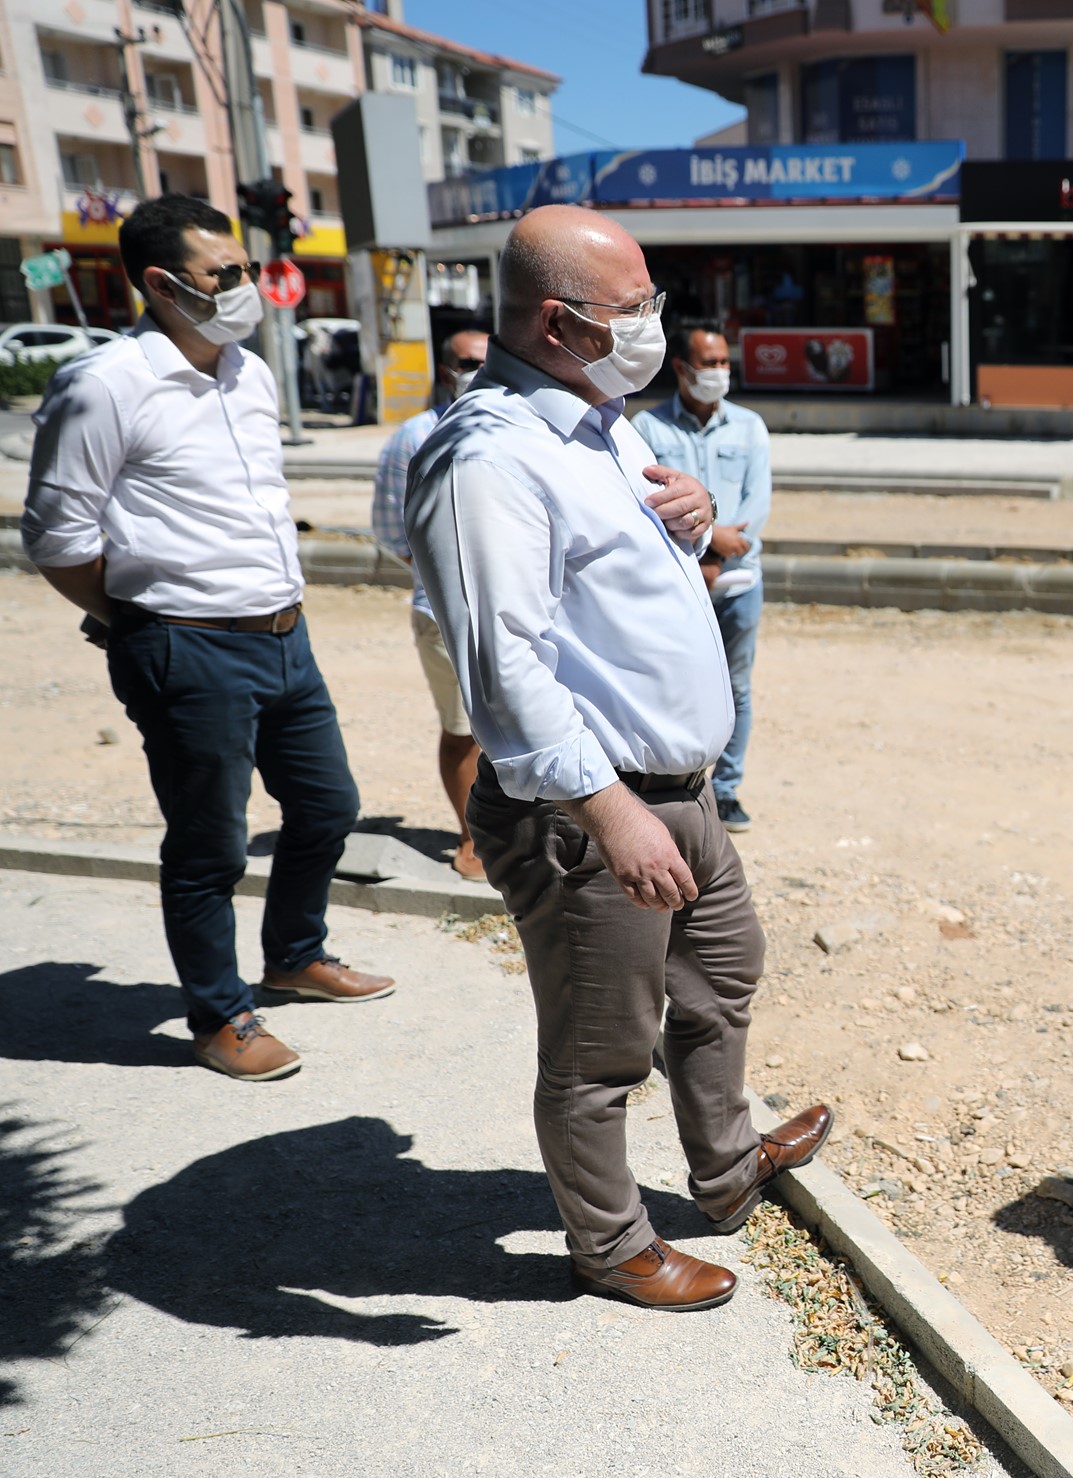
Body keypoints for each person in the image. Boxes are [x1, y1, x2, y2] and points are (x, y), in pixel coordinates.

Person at [406, 204, 830, 1312]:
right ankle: (611, 1245)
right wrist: (610, 813)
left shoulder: (602, 419)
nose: (654, 324)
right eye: (633, 308)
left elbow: (622, 568)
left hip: (676, 787)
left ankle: (727, 1163)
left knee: (722, 973)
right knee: (601, 1049)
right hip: (594, 805)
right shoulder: (489, 456)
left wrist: (686, 512)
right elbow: (506, 670)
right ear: (560, 321)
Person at [21, 194, 394, 1084]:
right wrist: (138, 621)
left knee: (327, 807)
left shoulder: (249, 372)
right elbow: (56, 539)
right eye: (224, 275)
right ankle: (219, 1014)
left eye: (247, 270)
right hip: (185, 648)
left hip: (283, 637)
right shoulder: (104, 384)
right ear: (159, 283)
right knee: (209, 848)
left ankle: (294, 955)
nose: (246, 288)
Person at [632, 320, 771, 834]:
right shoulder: (647, 430)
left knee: (736, 687)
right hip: (677, 582)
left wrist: (720, 553)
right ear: (681, 368)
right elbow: (642, 503)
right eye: (707, 363)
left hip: (738, 582)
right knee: (669, 683)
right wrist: (707, 548)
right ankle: (675, 786)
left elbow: (757, 506)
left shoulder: (750, 427)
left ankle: (726, 789)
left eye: (723, 363)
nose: (717, 373)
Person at [372, 322, 492, 879]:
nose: (478, 372)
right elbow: (394, 535)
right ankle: (472, 839)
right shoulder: (415, 437)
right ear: (447, 370)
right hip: (446, 613)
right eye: (468, 362)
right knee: (464, 728)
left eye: (487, 360)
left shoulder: (515, 426)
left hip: (519, 611)